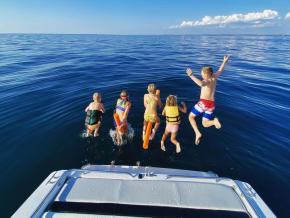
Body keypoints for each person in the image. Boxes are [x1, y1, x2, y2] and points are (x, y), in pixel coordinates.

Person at [187, 55, 230, 145]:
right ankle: (214, 121)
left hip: (204, 103)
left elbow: (201, 84)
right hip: (211, 105)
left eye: (202, 74)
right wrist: (224, 62)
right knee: (205, 123)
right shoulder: (214, 77)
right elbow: (220, 70)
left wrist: (191, 76)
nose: (201, 75)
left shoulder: (207, 81)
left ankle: (197, 133)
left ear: (206, 74)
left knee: (191, 117)